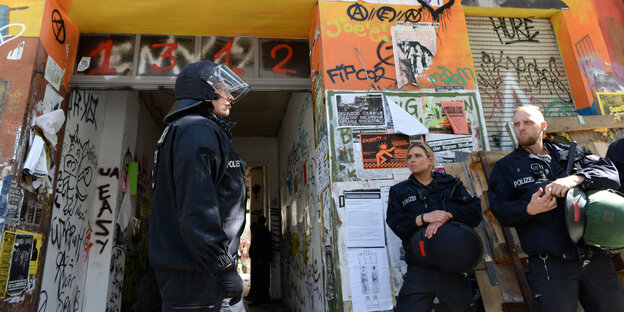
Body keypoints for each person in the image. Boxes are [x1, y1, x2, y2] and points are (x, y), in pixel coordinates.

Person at [488, 105, 624, 312]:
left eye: (527, 122)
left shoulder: (573, 153)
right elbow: (500, 209)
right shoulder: (506, 168)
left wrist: (577, 178)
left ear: (543, 126)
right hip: (549, 265)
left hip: (593, 257)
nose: (521, 128)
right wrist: (529, 209)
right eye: (516, 124)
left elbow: (610, 173)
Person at [149, 60, 250, 312]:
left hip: (200, 271)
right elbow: (197, 207)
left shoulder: (188, 130)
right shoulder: (197, 130)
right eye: (223, 90)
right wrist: (222, 265)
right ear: (204, 93)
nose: (230, 97)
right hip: (198, 276)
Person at [386, 142, 482, 312]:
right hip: (419, 269)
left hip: (452, 269)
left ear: (430, 160)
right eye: (409, 157)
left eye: (418, 156)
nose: (412, 160)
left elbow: (474, 213)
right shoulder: (400, 191)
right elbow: (395, 223)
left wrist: (446, 216)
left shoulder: (451, 184)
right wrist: (423, 218)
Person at [248, 215, 272, 305]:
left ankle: (258, 300)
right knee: (262, 281)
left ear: (261, 222)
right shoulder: (261, 232)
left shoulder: (263, 233)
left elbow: (264, 248)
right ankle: (263, 299)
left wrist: (260, 258)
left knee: (260, 281)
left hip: (261, 261)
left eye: (258, 221)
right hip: (260, 260)